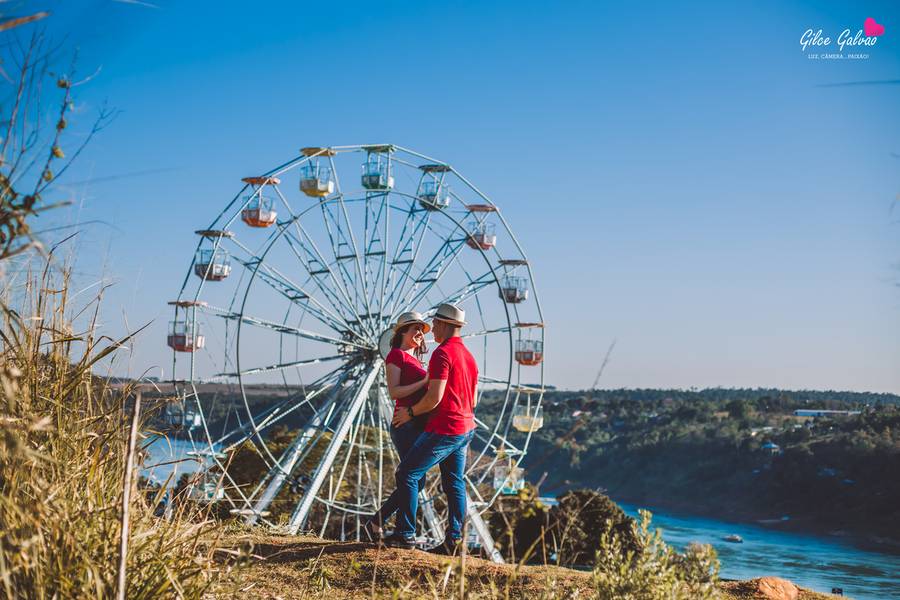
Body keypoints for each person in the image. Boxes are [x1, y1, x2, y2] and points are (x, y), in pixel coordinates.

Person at [382, 303, 478, 555]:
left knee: (407, 474)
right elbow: (474, 399)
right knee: (454, 482)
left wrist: (411, 412)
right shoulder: (469, 356)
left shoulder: (442, 353)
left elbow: (434, 397)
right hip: (466, 427)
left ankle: (405, 534)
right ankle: (454, 541)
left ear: (446, 325)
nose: (431, 329)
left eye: (434, 324)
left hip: (445, 427)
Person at [364, 312, 431, 539]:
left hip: (418, 423)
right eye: (415, 329)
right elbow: (394, 392)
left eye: (422, 331)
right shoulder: (395, 356)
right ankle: (400, 530)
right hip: (405, 425)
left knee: (417, 479)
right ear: (402, 332)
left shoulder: (418, 361)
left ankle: (377, 521)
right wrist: (425, 380)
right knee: (414, 477)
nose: (420, 334)